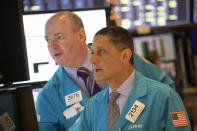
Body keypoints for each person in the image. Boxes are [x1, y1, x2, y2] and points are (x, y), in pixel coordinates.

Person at [36, 11, 175, 131]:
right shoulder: (47, 97)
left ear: (81, 35)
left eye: (59, 37)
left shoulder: (121, 56)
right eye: (47, 40)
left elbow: (166, 90)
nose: (51, 46)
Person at [69, 26, 191, 131]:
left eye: (101, 52)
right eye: (93, 53)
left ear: (125, 56)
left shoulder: (164, 97)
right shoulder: (93, 105)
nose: (92, 60)